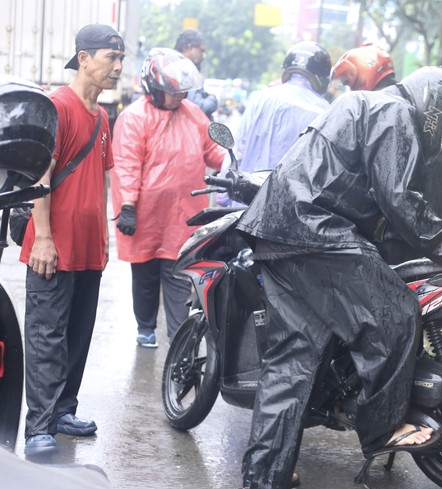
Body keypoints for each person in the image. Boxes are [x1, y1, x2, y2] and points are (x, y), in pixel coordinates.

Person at [235, 65, 442, 489]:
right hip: (315, 228)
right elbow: (396, 196)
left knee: (293, 356)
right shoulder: (394, 112)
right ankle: (385, 427)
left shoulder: (368, 104)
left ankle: (263, 474)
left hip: (279, 229)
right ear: (435, 109)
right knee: (395, 312)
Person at [19, 24, 125, 456]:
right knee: (47, 335)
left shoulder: (101, 117)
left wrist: (103, 237)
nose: (117, 68)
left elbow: (101, 181)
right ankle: (38, 427)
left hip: (87, 247)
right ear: (83, 58)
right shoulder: (57, 107)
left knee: (78, 336)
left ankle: (63, 411)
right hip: (53, 247)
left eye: (120, 60)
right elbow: (40, 177)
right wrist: (43, 237)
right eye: (109, 58)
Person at [110, 48, 225, 348]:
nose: (179, 97)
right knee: (145, 276)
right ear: (154, 88)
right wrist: (127, 206)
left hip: (182, 215)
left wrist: (230, 165)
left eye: (182, 91)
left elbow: (213, 151)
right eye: (172, 91)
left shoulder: (194, 115)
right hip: (145, 216)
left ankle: (178, 337)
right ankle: (145, 327)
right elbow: (126, 165)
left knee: (178, 277)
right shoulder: (134, 118)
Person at [331, 44, 442, 265]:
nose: (350, 89)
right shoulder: (387, 117)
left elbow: (399, 197)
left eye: (350, 82)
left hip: (405, 247)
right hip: (396, 242)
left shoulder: (397, 121)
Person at [216, 41, 331, 208]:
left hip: (244, 207)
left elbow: (238, 149)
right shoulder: (325, 112)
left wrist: (223, 197)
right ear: (323, 77)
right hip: (289, 215)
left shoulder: (260, 98)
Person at [174, 29, 217, 120]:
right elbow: (198, 107)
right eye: (201, 51)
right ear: (190, 47)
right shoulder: (185, 70)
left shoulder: (173, 65)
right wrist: (212, 99)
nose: (203, 56)